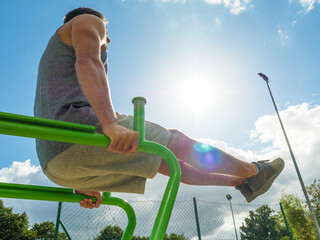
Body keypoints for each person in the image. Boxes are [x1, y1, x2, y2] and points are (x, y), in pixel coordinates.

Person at [34, 7, 284, 209]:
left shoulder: (52, 59)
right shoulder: (89, 20)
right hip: (77, 132)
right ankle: (255, 170)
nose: (107, 38)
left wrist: (81, 180)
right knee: (176, 140)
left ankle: (245, 182)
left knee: (169, 161)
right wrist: (109, 124)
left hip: (56, 168)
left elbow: (181, 171)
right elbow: (88, 62)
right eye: (106, 32)